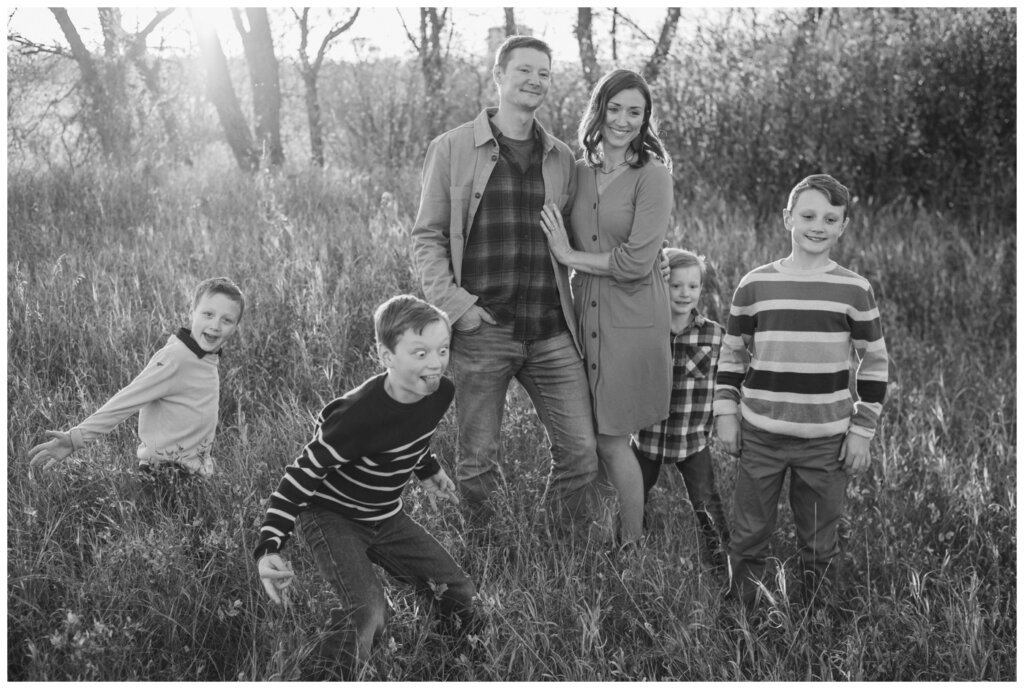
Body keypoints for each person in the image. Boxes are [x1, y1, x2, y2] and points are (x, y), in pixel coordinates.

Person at [411, 35, 601, 535]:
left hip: (551, 329)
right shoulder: (452, 148)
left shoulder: (562, 158)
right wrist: (457, 307)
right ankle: (490, 555)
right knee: (477, 462)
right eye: (524, 70)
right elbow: (427, 237)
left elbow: (586, 234)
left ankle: (552, 546)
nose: (535, 80)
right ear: (498, 76)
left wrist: (652, 265)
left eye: (543, 73)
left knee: (581, 452)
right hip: (482, 328)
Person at [255, 295, 477, 680]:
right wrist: (269, 547)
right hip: (332, 517)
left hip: (386, 516)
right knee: (369, 612)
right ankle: (328, 677)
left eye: (443, 350)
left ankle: (458, 661)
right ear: (386, 356)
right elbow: (300, 476)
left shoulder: (440, 393)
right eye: (420, 352)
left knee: (460, 593)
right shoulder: (356, 417)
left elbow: (413, 435)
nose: (436, 362)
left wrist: (427, 470)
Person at [714, 174, 889, 608]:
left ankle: (815, 621)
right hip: (761, 433)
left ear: (843, 226)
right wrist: (726, 413)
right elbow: (733, 353)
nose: (818, 225)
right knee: (750, 532)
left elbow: (875, 360)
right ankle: (742, 616)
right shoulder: (755, 284)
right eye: (808, 215)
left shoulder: (854, 289)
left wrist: (862, 430)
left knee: (819, 539)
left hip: (826, 439)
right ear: (787, 218)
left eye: (831, 218)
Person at [539, 69, 673, 546]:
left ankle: (633, 546)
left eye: (634, 112)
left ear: (645, 119)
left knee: (612, 439)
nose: (622, 120)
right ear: (599, 110)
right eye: (614, 108)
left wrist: (571, 257)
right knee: (589, 438)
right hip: (585, 314)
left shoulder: (652, 177)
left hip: (633, 320)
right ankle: (594, 533)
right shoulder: (578, 171)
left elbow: (637, 262)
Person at [27, 277, 245, 511]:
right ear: (192, 312)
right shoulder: (176, 358)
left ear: (235, 327)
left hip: (191, 475)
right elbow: (126, 400)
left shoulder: (204, 358)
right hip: (164, 476)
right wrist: (75, 438)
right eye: (208, 314)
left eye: (227, 320)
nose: (215, 325)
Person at [631, 248, 730, 570]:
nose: (685, 293)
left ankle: (722, 559)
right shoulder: (643, 329)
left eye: (693, 286)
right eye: (676, 285)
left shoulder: (714, 335)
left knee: (706, 500)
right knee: (632, 497)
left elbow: (729, 382)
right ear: (661, 285)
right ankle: (632, 551)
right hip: (646, 436)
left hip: (691, 439)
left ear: (701, 288)